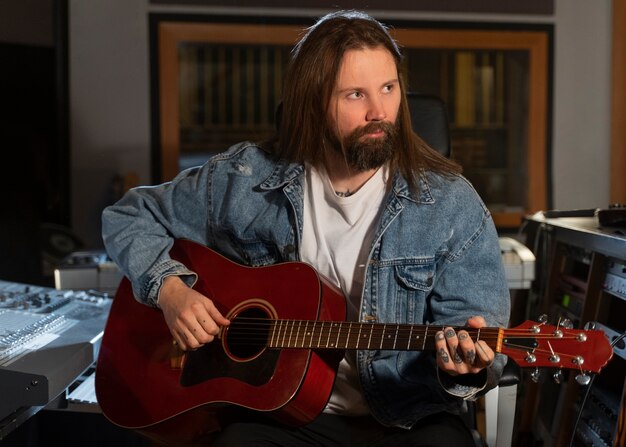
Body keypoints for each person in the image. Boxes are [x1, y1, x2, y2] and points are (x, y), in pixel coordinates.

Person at [102, 10, 510, 447]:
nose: (379, 111)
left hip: (407, 415)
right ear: (313, 102)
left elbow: (480, 342)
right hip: (285, 415)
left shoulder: (450, 203)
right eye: (356, 94)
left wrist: (466, 365)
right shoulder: (246, 179)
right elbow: (128, 215)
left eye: (389, 89)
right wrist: (171, 292)